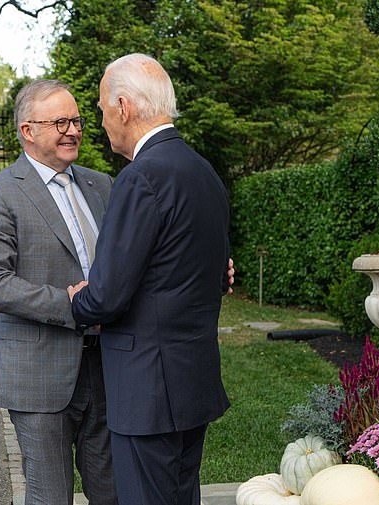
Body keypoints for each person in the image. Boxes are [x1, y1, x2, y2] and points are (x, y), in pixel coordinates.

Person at [68, 54, 231, 505]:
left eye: (101, 110)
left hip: (147, 390)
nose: (100, 122)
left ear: (123, 106)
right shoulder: (204, 172)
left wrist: (77, 300)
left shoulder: (140, 177)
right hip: (192, 378)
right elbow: (215, 273)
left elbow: (106, 296)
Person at [0, 80, 117, 505]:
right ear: (27, 131)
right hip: (38, 374)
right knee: (50, 496)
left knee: (113, 494)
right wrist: (72, 305)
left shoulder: (101, 185)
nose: (72, 130)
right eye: (59, 122)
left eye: (76, 120)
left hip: (107, 367)